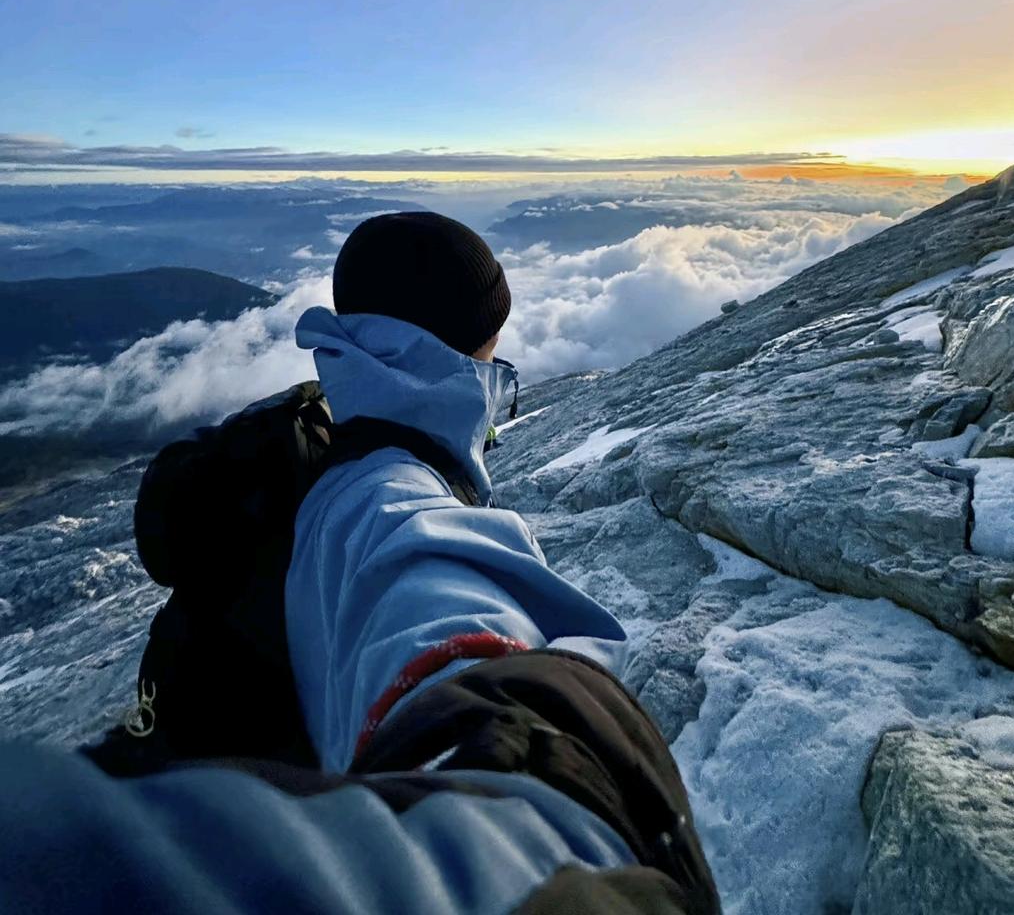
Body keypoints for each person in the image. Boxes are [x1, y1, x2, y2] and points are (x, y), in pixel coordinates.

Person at [0, 212, 719, 913]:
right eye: (492, 347)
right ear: (465, 351)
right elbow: (429, 598)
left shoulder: (323, 445)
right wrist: (539, 756)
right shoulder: (378, 493)